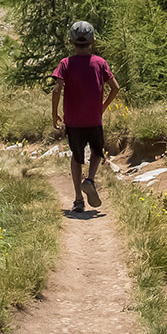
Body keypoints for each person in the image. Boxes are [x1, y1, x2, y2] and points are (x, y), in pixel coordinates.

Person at [50, 20, 120, 214]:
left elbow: (57, 89)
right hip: (93, 119)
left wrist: (54, 113)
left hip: (73, 121)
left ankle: (78, 200)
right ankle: (89, 180)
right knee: (97, 152)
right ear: (93, 40)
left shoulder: (65, 63)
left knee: (76, 156)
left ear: (71, 41)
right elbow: (115, 87)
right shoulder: (100, 63)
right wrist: (103, 107)